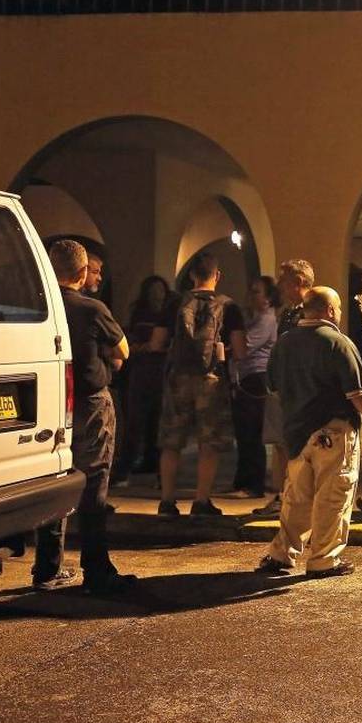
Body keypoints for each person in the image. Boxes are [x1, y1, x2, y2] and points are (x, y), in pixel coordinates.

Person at [255, 287, 362, 578]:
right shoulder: (337, 342)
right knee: (333, 496)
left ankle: (282, 554)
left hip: (296, 432)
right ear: (329, 310)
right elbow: (359, 393)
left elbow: (273, 387)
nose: (339, 313)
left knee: (296, 497)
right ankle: (324, 560)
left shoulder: (284, 343)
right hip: (334, 431)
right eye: (338, 308)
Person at [32, 240, 136, 594]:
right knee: (94, 484)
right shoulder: (91, 309)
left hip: (48, 402)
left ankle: (47, 567)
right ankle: (96, 569)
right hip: (89, 404)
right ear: (81, 272)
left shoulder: (39, 306)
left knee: (55, 480)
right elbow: (123, 349)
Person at [153, 251, 247, 517]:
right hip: (212, 380)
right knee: (210, 443)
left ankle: (167, 501)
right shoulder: (229, 306)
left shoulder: (174, 303)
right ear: (217, 275)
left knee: (171, 442)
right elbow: (241, 351)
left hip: (178, 379)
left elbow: (157, 342)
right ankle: (201, 500)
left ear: (192, 275)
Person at [253, 259, 315, 518]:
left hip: (299, 389)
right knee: (281, 443)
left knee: (297, 445)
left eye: (284, 280)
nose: (279, 285)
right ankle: (282, 495)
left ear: (298, 282)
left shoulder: (311, 312)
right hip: (282, 385)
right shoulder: (288, 313)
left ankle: (296, 498)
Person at [111, 275, 171, 482]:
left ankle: (151, 460)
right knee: (135, 420)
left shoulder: (168, 315)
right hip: (140, 370)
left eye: (160, 290)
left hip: (160, 371)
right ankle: (126, 466)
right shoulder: (139, 314)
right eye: (153, 291)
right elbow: (130, 339)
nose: (157, 295)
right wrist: (139, 347)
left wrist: (151, 347)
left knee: (157, 419)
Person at [231, 275, 279, 498]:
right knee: (243, 430)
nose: (251, 295)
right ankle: (242, 480)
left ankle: (253, 484)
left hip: (256, 377)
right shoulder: (255, 318)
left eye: (257, 291)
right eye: (251, 290)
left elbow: (244, 346)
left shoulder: (266, 320)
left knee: (251, 430)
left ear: (268, 298)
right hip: (247, 376)